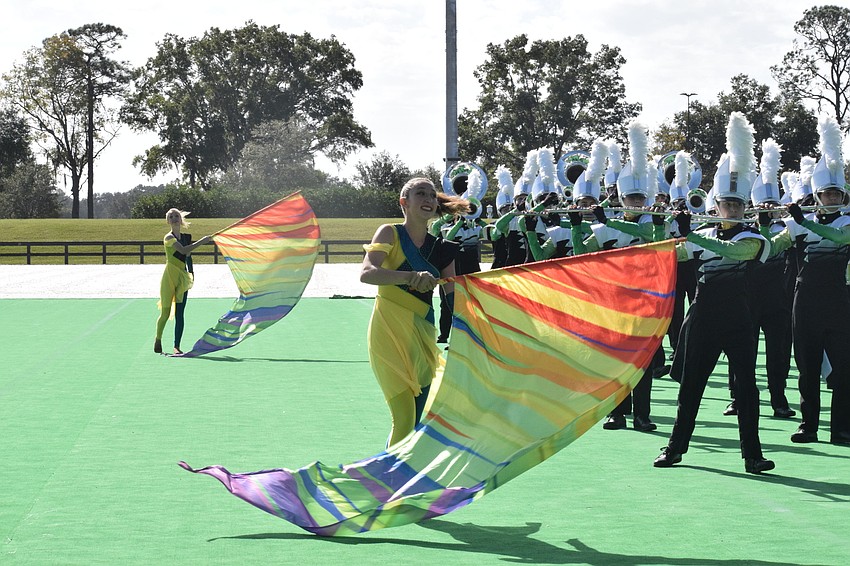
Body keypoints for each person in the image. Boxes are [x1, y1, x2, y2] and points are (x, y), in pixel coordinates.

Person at [654, 112, 775, 474]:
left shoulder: (751, 237)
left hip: (739, 320)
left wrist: (689, 235)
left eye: (738, 205)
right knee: (691, 386)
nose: (733, 209)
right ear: (717, 206)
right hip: (703, 319)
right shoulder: (703, 237)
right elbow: (668, 256)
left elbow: (736, 254)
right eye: (728, 205)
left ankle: (752, 455)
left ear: (744, 207)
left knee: (746, 388)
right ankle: (675, 448)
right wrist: (668, 228)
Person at [361, 177, 469, 447]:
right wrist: (410, 277)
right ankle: (388, 482)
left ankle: (396, 476)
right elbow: (367, 273)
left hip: (423, 337)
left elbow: (452, 298)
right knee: (404, 418)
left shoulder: (443, 249)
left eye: (432, 195)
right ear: (404, 203)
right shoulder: (389, 233)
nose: (428, 200)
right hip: (388, 332)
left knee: (416, 419)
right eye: (420, 194)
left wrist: (466, 332)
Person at [762, 116, 850, 445]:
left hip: (839, 300)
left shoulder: (845, 221)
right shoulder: (799, 223)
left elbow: (840, 239)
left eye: (835, 193)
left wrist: (806, 223)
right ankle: (808, 424)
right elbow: (772, 247)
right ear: (817, 194)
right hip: (805, 301)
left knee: (843, 368)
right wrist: (761, 225)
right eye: (826, 193)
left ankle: (841, 427)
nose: (831, 198)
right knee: (807, 367)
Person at [154, 208, 211, 354]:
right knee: (165, 313)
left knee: (180, 313)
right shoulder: (168, 237)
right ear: (168, 221)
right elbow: (184, 251)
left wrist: (191, 272)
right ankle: (158, 338)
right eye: (171, 216)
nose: (174, 218)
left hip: (182, 278)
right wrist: (202, 241)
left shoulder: (185, 238)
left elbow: (188, 256)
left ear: (180, 219)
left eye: (176, 216)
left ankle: (176, 346)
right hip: (169, 278)